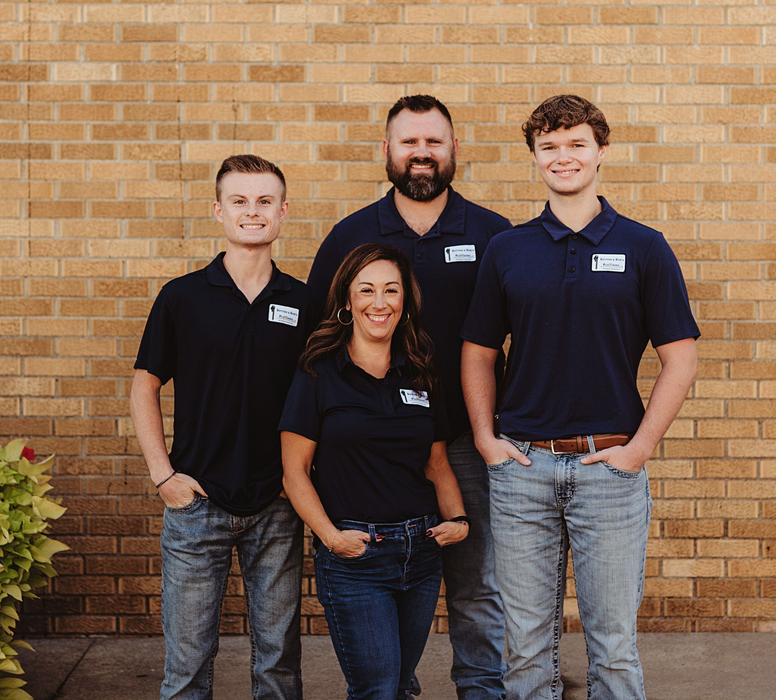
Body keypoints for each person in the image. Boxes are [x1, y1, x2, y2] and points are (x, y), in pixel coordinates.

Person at [461, 94, 699, 700]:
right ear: (535, 156)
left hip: (610, 471)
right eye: (549, 147)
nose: (562, 157)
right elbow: (479, 352)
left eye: (576, 144)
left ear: (600, 151)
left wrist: (640, 449)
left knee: (614, 648)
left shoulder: (645, 247)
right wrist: (487, 440)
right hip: (522, 469)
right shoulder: (507, 249)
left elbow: (681, 357)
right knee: (525, 647)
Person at [307, 95, 510, 699]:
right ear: (388, 151)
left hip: (466, 444)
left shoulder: (493, 235)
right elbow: (318, 343)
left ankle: (482, 691)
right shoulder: (351, 235)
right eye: (408, 142)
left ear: (453, 150)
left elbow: (520, 335)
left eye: (434, 142)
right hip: (374, 452)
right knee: (388, 588)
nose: (422, 153)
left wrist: (498, 429)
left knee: (476, 587)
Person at [130, 154, 321, 700]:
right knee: (188, 664)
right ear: (218, 210)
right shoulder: (183, 297)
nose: (252, 212)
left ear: (284, 212)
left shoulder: (304, 302)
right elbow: (145, 385)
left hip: (278, 503)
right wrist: (164, 475)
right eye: (239, 201)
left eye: (265, 201)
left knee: (279, 663)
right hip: (197, 502)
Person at [280, 243, 469, 700]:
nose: (379, 302)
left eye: (391, 290)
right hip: (355, 557)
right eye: (366, 290)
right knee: (377, 689)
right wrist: (331, 538)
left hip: (420, 552)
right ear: (347, 301)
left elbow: (436, 461)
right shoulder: (319, 372)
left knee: (399, 685)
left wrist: (459, 520)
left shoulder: (420, 370)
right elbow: (294, 472)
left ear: (405, 301)